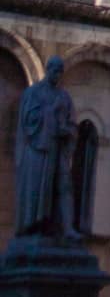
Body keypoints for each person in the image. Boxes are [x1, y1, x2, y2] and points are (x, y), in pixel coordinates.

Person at [14, 55, 80, 239]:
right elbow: (29, 121)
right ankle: (35, 225)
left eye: (60, 71)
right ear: (47, 69)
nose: (57, 75)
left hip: (58, 149)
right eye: (55, 70)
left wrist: (67, 130)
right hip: (39, 149)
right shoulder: (33, 93)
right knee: (37, 188)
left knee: (64, 186)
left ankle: (67, 228)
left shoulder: (64, 96)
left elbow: (72, 123)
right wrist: (52, 112)